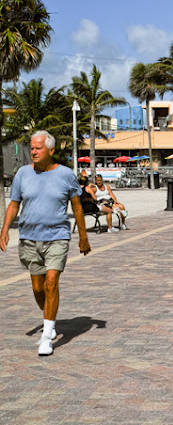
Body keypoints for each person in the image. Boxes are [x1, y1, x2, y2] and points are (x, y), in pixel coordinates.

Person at [0, 131, 91, 356]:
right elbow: (14, 204)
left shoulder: (66, 175)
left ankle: (47, 335)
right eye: (32, 148)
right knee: (38, 288)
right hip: (29, 238)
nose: (33, 151)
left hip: (57, 237)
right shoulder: (22, 174)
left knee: (51, 282)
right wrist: (4, 230)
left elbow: (77, 207)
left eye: (38, 148)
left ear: (51, 151)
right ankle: (49, 317)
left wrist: (83, 236)